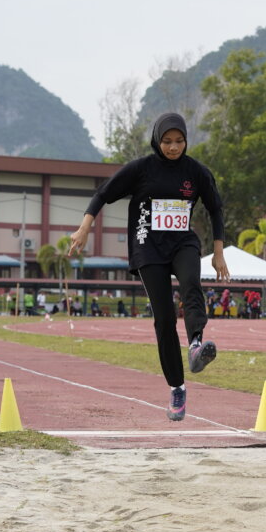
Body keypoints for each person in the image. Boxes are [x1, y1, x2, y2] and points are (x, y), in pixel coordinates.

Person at [68, 112, 229, 422]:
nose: (173, 147)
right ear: (157, 140)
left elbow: (216, 209)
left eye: (179, 141)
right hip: (148, 246)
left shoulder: (196, 172)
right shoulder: (141, 169)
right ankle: (177, 388)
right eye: (167, 141)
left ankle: (196, 345)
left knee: (191, 284)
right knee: (164, 319)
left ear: (186, 140)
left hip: (182, 242)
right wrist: (85, 226)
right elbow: (103, 193)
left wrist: (218, 252)